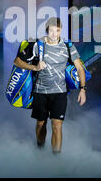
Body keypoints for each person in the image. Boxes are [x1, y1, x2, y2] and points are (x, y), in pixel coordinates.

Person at [13, 17, 87, 153]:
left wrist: (82, 90)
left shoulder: (67, 45)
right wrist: (35, 67)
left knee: (57, 125)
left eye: (57, 30)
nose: (54, 34)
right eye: (51, 30)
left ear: (61, 30)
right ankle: (40, 150)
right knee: (41, 123)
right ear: (47, 30)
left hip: (59, 93)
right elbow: (17, 61)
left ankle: (55, 160)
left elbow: (80, 68)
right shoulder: (37, 44)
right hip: (40, 92)